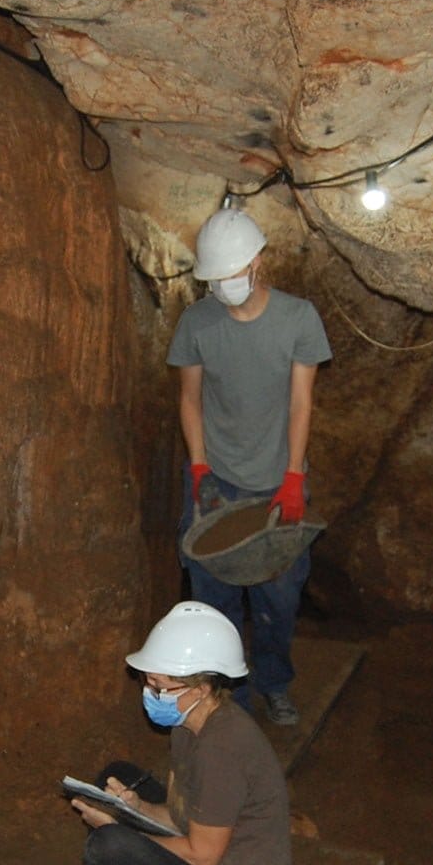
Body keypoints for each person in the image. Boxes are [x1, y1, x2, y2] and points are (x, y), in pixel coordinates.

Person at [10, 601, 291, 865]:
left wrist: (121, 830)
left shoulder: (222, 751)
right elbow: (180, 817)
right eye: (148, 682)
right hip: (216, 858)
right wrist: (135, 806)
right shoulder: (190, 724)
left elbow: (202, 857)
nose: (150, 693)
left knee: (110, 845)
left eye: (159, 687)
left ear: (200, 689)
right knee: (117, 777)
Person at [168, 207, 333, 726]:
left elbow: (301, 402)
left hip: (275, 483)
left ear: (258, 262)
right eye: (215, 278)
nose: (225, 285)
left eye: (233, 273)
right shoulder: (197, 322)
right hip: (216, 481)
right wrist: (198, 469)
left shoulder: (298, 318)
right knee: (212, 603)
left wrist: (293, 476)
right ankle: (227, 705)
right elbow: (190, 398)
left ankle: (274, 682)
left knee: (278, 600)